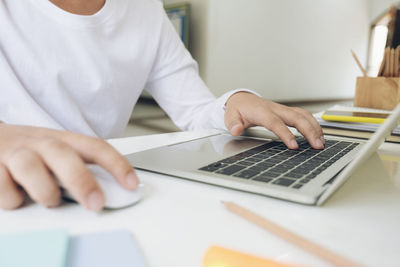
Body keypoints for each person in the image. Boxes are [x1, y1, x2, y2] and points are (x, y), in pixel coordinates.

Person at [0, 0, 324, 211]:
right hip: (18, 196)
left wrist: (233, 102)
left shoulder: (144, 9)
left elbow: (195, 110)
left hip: (106, 190)